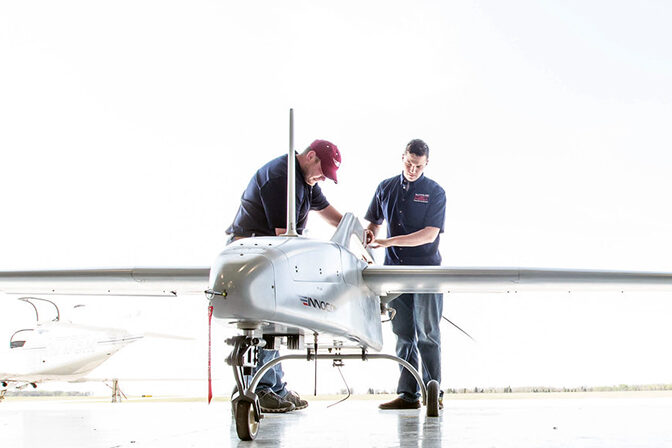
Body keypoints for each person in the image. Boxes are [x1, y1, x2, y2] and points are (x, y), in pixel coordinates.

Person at [226, 139, 343, 413]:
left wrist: (358, 231)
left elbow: (329, 214)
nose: (322, 179)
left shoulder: (306, 181)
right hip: (251, 253)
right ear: (310, 156)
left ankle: (275, 386)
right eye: (322, 172)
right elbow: (284, 236)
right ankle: (262, 387)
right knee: (268, 319)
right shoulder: (281, 178)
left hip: (269, 255)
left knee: (279, 319)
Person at [364, 138, 446, 409]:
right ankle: (408, 395)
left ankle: (434, 393)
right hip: (394, 272)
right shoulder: (385, 187)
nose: (413, 169)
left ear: (427, 164)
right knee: (403, 333)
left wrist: (388, 242)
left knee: (428, 334)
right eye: (409, 164)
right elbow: (374, 224)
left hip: (426, 272)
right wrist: (370, 235)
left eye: (418, 166)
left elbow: (429, 234)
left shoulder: (435, 192)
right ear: (402, 158)